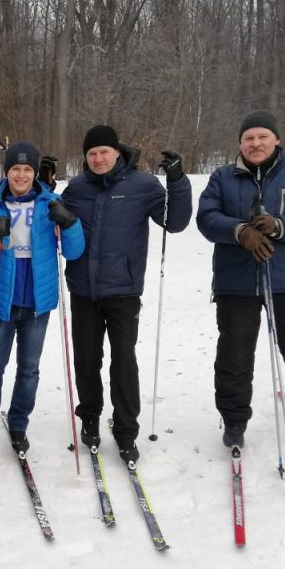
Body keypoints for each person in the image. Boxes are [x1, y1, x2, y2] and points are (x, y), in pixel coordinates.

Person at [196, 109, 285, 447]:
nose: (255, 143)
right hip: (236, 284)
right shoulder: (222, 178)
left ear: (276, 139)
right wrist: (238, 230)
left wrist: (281, 226)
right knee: (234, 356)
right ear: (240, 143)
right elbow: (207, 217)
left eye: (262, 136)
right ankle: (234, 419)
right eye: (248, 138)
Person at [61, 125, 192, 463]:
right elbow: (54, 218)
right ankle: (89, 415)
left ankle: (125, 429)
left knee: (123, 360)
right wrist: (45, 187)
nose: (98, 158)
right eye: (91, 154)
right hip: (83, 288)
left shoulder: (142, 185)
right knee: (86, 358)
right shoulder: (76, 188)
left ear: (117, 152)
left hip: (124, 290)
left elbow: (174, 222)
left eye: (104, 151)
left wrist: (177, 181)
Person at [0, 142, 84, 454]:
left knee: (29, 369)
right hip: (2, 301)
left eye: (27, 169)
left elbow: (73, 251)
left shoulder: (50, 202)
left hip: (39, 300)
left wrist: (70, 223)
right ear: (6, 171)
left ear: (34, 173)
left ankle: (19, 423)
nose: (21, 175)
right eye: (15, 169)